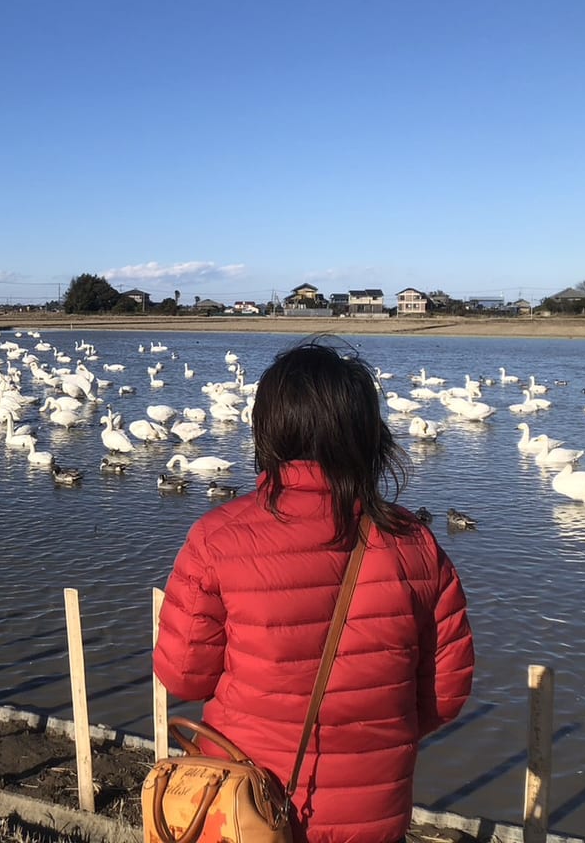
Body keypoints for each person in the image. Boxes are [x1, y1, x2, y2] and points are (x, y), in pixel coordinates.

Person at [153, 340, 473, 843]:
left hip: (248, 805)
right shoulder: (417, 544)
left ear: (268, 429)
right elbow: (445, 695)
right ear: (368, 433)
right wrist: (372, 739)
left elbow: (184, 678)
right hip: (372, 810)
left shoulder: (218, 538)